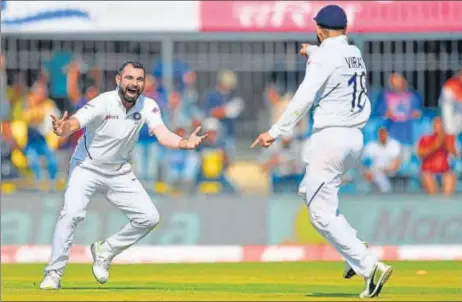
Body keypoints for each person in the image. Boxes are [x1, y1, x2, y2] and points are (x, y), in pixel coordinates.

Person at [251, 5, 392, 298]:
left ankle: (370, 267)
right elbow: (331, 60)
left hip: (330, 140)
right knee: (308, 192)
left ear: (319, 30)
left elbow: (303, 98)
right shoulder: (354, 53)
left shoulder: (325, 57)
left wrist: (273, 132)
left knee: (319, 214)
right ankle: (354, 246)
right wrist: (313, 53)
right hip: (354, 140)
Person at [39, 61, 208, 290]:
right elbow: (76, 122)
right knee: (72, 213)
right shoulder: (103, 102)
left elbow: (162, 133)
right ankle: (53, 275)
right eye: (129, 78)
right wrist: (63, 128)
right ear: (119, 80)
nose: (134, 83)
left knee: (149, 217)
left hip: (119, 171)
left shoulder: (148, 105)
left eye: (139, 79)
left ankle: (106, 250)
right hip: (86, 167)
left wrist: (183, 143)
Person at [417, 117, 458, 196]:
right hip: (428, 171)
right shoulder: (425, 138)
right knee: (427, 177)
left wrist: (447, 143)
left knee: (450, 177)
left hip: (444, 171)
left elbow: (454, 154)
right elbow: (421, 154)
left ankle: (446, 201)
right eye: (436, 124)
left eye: (440, 125)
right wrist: (436, 145)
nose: (438, 127)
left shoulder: (449, 138)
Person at [362, 128, 401, 193]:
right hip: (374, 173)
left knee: (379, 175)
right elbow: (364, 164)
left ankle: (386, 191)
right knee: (376, 175)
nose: (382, 135)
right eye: (380, 133)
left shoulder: (395, 144)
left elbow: (395, 166)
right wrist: (367, 172)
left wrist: (382, 169)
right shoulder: (371, 146)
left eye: (384, 133)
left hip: (390, 172)